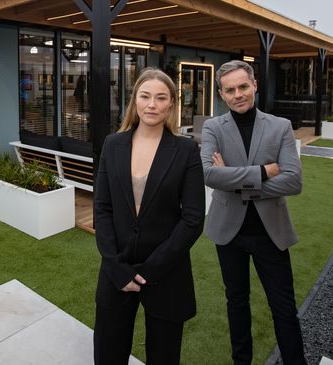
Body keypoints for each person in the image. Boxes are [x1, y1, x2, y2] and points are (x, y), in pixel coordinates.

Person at [93, 68, 205, 365]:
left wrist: (151, 270)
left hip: (166, 273)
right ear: (135, 100)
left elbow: (193, 219)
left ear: (171, 103)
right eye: (145, 96)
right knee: (108, 354)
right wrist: (116, 267)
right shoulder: (112, 144)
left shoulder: (186, 150)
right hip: (116, 269)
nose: (152, 104)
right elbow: (102, 208)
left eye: (161, 98)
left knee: (164, 356)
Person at [201, 59, 306, 365]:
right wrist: (263, 172)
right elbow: (208, 174)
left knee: (284, 308)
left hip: (270, 233)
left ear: (255, 85)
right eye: (230, 90)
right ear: (222, 94)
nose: (238, 95)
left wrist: (234, 182)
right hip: (228, 233)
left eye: (243, 86)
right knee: (236, 303)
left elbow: (294, 181)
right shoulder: (212, 127)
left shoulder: (280, 126)